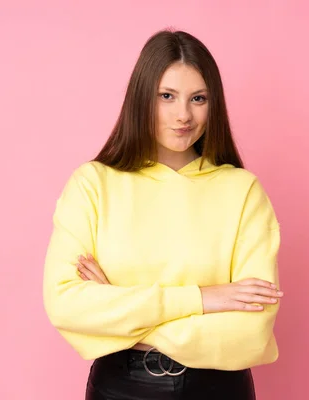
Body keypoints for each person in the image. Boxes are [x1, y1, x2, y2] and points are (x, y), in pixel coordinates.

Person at [42, 29, 284, 400]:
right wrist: (201, 299)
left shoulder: (242, 191)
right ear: (141, 98)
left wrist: (119, 311)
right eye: (166, 96)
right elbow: (66, 305)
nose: (183, 115)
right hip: (119, 389)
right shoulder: (93, 184)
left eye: (198, 98)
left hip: (218, 390)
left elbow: (251, 332)